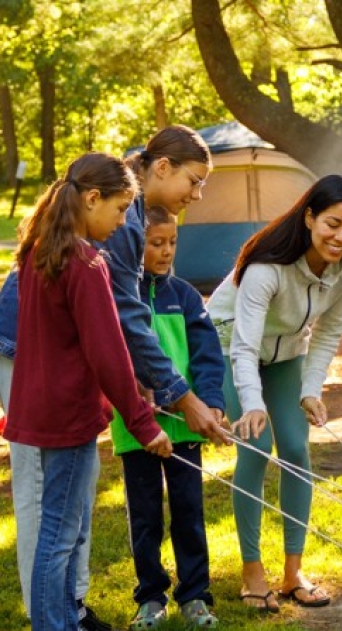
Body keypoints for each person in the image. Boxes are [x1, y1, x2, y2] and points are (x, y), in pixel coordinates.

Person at [2, 153, 172, 631]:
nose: (126, 221)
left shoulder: (41, 252)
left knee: (64, 536)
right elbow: (109, 355)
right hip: (67, 417)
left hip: (45, 411)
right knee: (57, 541)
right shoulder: (85, 263)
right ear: (92, 199)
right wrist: (145, 425)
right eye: (122, 208)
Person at [206, 174, 342, 612]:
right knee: (256, 446)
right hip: (228, 349)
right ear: (309, 218)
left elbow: (326, 336)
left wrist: (310, 392)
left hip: (285, 356)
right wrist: (251, 404)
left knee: (298, 452)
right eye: (332, 223)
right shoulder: (266, 268)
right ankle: (252, 572)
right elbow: (244, 345)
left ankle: (293, 572)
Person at [109, 206, 226, 631]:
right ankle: (151, 597)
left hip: (185, 428)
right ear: (135, 245)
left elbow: (208, 358)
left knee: (189, 513)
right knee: (145, 517)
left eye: (171, 242)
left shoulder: (188, 296)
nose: (165, 251)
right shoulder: (121, 296)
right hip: (135, 428)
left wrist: (211, 402)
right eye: (155, 243)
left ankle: (195, 596)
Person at [107, 124, 229, 445]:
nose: (198, 195)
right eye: (194, 181)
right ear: (163, 167)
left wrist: (141, 372)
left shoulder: (132, 210)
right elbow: (127, 316)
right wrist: (184, 398)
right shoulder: (127, 221)